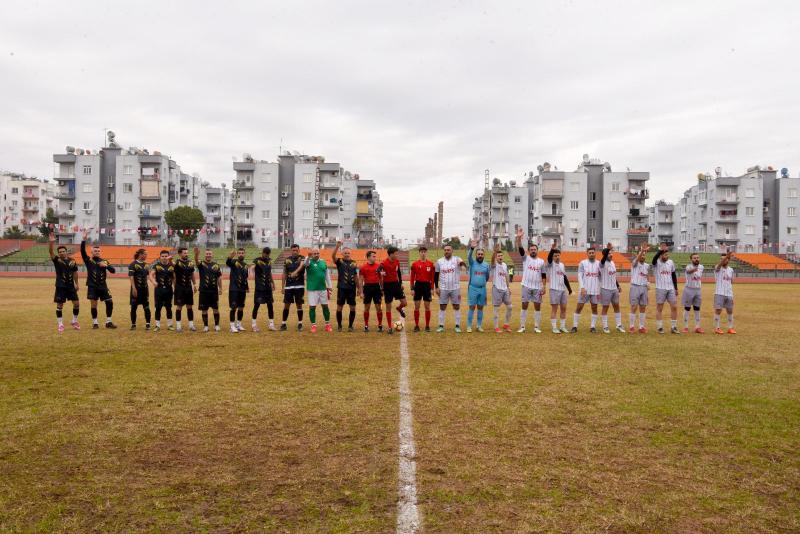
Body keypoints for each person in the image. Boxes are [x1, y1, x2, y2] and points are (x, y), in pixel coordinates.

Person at [80, 230, 117, 329]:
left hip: (103, 286)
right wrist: (84, 240)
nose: (97, 252)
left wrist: (105, 266)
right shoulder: (89, 260)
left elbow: (113, 271)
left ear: (100, 252)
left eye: (98, 251)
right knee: (94, 304)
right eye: (95, 251)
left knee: (109, 302)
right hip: (92, 286)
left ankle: (108, 322)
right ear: (91, 252)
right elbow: (83, 252)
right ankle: (95, 323)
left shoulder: (104, 261)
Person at [292, 247, 333, 333]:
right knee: (312, 307)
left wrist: (329, 286)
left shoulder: (323, 262)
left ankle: (327, 325)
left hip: (323, 289)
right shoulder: (309, 261)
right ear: (312, 254)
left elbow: (327, 275)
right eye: (314, 253)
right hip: (312, 289)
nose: (316, 255)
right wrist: (308, 256)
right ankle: (313, 325)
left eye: (317, 253)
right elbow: (305, 264)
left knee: (325, 306)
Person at [515, 228, 546, 333]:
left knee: (537, 306)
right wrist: (519, 238)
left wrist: (544, 286)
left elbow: (543, 275)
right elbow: (520, 248)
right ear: (529, 251)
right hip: (526, 286)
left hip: (537, 287)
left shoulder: (541, 262)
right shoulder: (526, 258)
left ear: (537, 250)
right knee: (524, 305)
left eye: (534, 249)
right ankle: (522, 327)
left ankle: (537, 327)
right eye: (531, 249)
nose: (533, 251)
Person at [49, 233, 80, 332]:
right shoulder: (57, 260)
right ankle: (60, 324)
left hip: (71, 286)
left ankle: (74, 321)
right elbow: (50, 252)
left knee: (76, 304)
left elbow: (75, 273)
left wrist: (76, 283)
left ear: (66, 252)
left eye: (63, 251)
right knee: (60, 305)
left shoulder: (73, 261)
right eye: (60, 252)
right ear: (58, 253)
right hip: (60, 286)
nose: (62, 253)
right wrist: (51, 243)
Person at [434, 244, 466, 333]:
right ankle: (441, 325)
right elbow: (436, 275)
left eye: (448, 250)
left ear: (452, 251)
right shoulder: (439, 261)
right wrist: (436, 287)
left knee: (456, 306)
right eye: (445, 250)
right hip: (443, 288)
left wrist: (463, 266)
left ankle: (457, 325)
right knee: (442, 306)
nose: (446, 251)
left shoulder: (456, 259)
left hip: (455, 288)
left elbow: (462, 263)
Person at [571, 245, 601, 333]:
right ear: (587, 254)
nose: (591, 254)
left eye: (593, 253)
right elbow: (580, 276)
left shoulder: (599, 264)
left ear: (595, 253)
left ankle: (592, 327)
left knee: (594, 308)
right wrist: (582, 287)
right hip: (585, 290)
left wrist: (600, 288)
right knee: (579, 307)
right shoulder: (582, 263)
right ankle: (575, 326)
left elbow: (600, 277)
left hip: (595, 290)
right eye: (590, 253)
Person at [332, 240, 360, 332]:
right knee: (340, 307)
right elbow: (333, 256)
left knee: (352, 307)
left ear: (350, 253)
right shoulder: (339, 261)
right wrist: (337, 246)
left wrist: (359, 288)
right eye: (345, 253)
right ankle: (339, 326)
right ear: (342, 253)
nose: (347, 254)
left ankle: (350, 326)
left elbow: (356, 276)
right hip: (342, 288)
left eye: (348, 253)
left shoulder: (354, 263)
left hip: (352, 289)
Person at [652, 243, 680, 334]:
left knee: (674, 307)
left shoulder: (670, 262)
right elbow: (654, 259)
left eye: (668, 254)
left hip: (670, 288)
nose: (667, 256)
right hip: (660, 288)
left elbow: (673, 275)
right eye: (665, 254)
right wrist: (660, 250)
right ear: (661, 255)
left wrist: (676, 288)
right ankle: (660, 327)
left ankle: (674, 327)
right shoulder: (656, 263)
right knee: (660, 307)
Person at [379, 245, 407, 334]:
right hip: (387, 286)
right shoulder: (384, 263)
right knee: (388, 307)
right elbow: (378, 270)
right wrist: (380, 272)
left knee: (404, 303)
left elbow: (398, 273)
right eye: (395, 254)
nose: (397, 255)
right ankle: (390, 327)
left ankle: (399, 308)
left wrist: (401, 283)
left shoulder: (397, 262)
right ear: (390, 254)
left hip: (396, 285)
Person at [194, 247, 222, 332]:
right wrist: (196, 254)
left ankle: (217, 325)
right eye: (207, 254)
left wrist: (220, 288)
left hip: (214, 291)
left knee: (216, 309)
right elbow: (196, 261)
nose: (208, 255)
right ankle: (205, 326)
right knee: (204, 309)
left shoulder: (216, 265)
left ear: (212, 255)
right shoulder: (201, 264)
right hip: (203, 291)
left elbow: (219, 278)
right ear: (205, 255)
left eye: (209, 254)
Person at [546, 241, 572, 333]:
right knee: (554, 309)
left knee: (564, 308)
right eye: (555, 256)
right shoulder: (550, 264)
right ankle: (554, 327)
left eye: (558, 255)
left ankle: (562, 326)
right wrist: (552, 249)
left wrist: (569, 289)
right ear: (553, 257)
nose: (557, 257)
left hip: (562, 290)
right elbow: (549, 258)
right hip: (554, 289)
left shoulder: (562, 265)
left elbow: (564, 277)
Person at [599, 243, 625, 333]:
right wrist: (607, 249)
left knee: (616, 306)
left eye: (611, 253)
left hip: (614, 289)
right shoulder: (601, 264)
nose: (611, 255)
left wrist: (618, 286)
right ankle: (605, 326)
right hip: (605, 289)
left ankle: (619, 325)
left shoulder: (613, 263)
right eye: (609, 253)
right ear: (605, 254)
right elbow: (603, 258)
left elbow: (613, 277)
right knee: (605, 307)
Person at [465, 239, 490, 332]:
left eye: (481, 254)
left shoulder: (486, 265)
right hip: (473, 288)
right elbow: (468, 256)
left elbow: (487, 277)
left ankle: (479, 326)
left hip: (482, 289)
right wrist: (472, 248)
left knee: (480, 307)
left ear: (484, 255)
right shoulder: (472, 263)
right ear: (476, 255)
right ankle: (469, 326)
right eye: (478, 254)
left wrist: (482, 283)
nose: (480, 256)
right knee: (472, 307)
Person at [409, 246, 435, 332]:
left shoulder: (431, 264)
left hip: (427, 286)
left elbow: (432, 277)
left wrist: (432, 288)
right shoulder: (415, 264)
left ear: (426, 253)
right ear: (419, 253)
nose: (423, 253)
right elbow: (412, 277)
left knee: (427, 307)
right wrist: (412, 288)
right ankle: (416, 325)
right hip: (418, 286)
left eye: (424, 252)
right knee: (417, 306)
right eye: (421, 252)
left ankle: (427, 326)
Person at [281, 244, 305, 331]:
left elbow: (303, 265)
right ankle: (283, 324)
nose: (295, 252)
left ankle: (300, 324)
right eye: (293, 250)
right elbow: (284, 274)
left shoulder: (302, 258)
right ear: (291, 251)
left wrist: (296, 272)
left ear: (299, 250)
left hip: (299, 285)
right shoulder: (287, 260)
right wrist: (283, 287)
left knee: (299, 305)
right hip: (288, 286)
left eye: (296, 250)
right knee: (286, 305)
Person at [251, 247, 276, 332]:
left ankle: (271, 324)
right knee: (257, 305)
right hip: (259, 288)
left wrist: (273, 283)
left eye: (268, 254)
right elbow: (253, 266)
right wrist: (251, 270)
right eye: (265, 253)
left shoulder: (269, 261)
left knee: (270, 305)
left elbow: (269, 273)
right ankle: (254, 325)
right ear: (262, 253)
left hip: (268, 287)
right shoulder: (257, 260)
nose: (266, 255)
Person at [173, 247, 197, 332]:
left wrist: (194, 284)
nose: (186, 254)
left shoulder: (190, 263)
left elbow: (192, 274)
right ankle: (178, 326)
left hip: (188, 288)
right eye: (184, 253)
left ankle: (191, 325)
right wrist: (175, 287)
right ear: (180, 254)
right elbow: (174, 276)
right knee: (179, 307)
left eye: (187, 253)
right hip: (179, 288)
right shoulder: (176, 263)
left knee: (189, 306)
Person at [150, 249, 175, 331]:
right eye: (162, 256)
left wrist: (175, 287)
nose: (164, 258)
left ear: (168, 256)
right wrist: (153, 281)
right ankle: (157, 326)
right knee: (158, 308)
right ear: (160, 257)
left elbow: (174, 278)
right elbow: (151, 275)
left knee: (169, 308)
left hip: (169, 290)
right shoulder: (156, 266)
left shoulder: (172, 266)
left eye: (166, 256)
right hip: (159, 290)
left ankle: (170, 325)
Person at [490, 244, 513, 333]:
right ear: (496, 257)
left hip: (505, 289)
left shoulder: (504, 265)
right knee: (496, 308)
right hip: (497, 289)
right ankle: (496, 327)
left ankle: (506, 324)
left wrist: (508, 287)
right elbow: (492, 260)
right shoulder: (494, 264)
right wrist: (494, 252)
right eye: (498, 256)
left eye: (501, 255)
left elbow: (506, 276)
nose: (500, 257)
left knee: (510, 307)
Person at [359, 250, 384, 332]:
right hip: (367, 288)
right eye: (373, 256)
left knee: (379, 308)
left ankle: (380, 325)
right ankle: (366, 326)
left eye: (375, 256)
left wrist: (382, 289)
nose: (375, 258)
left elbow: (381, 278)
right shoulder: (363, 267)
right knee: (367, 308)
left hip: (377, 288)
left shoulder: (379, 266)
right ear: (368, 257)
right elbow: (361, 280)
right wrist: (361, 292)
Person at [629, 244, 651, 333]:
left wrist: (648, 282)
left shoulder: (647, 265)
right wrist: (642, 250)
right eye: (641, 255)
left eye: (644, 255)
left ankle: (641, 327)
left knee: (643, 307)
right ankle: (631, 326)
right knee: (634, 307)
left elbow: (647, 274)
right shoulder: (635, 263)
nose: (643, 256)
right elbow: (637, 259)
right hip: (635, 286)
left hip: (644, 287)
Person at [226, 248, 249, 333]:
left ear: (245, 254)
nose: (241, 254)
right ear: (237, 254)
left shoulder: (246, 265)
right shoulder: (234, 262)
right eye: (239, 253)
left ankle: (239, 324)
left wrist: (247, 287)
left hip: (242, 289)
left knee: (241, 308)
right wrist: (230, 257)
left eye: (242, 253)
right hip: (234, 289)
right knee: (233, 307)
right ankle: (232, 326)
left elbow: (245, 277)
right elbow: (228, 262)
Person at [713, 249, 736, 334]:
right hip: (719, 292)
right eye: (721, 259)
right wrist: (726, 256)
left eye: (725, 258)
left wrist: (732, 295)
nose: (723, 260)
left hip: (729, 294)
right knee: (718, 310)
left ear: (728, 260)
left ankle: (730, 328)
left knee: (730, 310)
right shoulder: (717, 268)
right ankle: (717, 328)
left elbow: (731, 282)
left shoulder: (731, 270)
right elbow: (720, 264)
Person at [128, 248, 151, 330]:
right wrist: (134, 288)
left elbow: (148, 276)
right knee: (134, 307)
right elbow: (131, 277)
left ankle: (148, 324)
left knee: (146, 307)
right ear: (140, 254)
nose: (146, 255)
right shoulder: (132, 264)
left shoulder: (146, 265)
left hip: (145, 289)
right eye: (145, 254)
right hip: (136, 289)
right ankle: (133, 324)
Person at [682, 253, 705, 333]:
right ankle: (685, 327)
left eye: (698, 258)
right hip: (689, 289)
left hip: (698, 289)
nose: (696, 259)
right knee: (687, 308)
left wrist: (696, 269)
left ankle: (697, 327)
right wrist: (694, 269)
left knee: (697, 308)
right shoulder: (688, 266)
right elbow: (688, 271)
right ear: (691, 259)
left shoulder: (701, 267)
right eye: (694, 258)